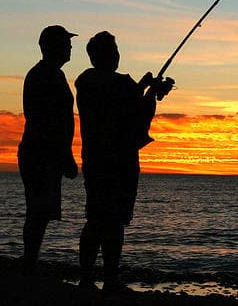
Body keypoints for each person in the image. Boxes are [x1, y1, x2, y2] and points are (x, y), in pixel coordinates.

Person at [75, 31, 174, 292]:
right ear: (102, 55)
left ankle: (91, 279)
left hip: (100, 160)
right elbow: (136, 111)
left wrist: (144, 88)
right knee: (110, 221)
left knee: (100, 219)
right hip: (117, 162)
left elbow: (122, 103)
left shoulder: (88, 81)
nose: (116, 55)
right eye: (112, 50)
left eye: (116, 50)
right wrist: (151, 92)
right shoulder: (114, 82)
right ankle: (105, 280)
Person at [18, 24, 79, 274]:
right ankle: (29, 263)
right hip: (41, 154)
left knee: (40, 212)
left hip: (44, 153)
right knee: (38, 211)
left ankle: (30, 261)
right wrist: (65, 156)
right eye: (66, 43)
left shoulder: (52, 74)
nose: (70, 47)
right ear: (52, 47)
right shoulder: (44, 75)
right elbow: (48, 121)